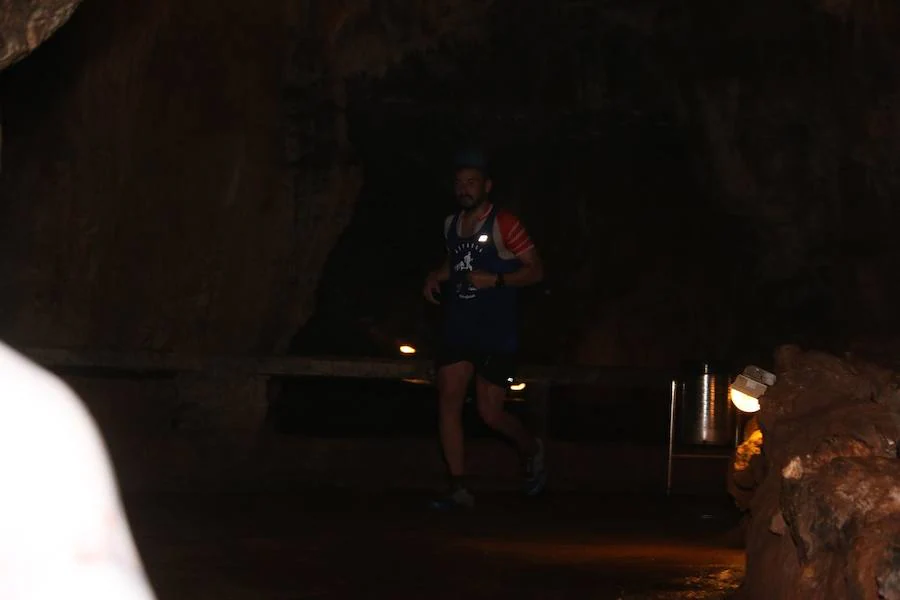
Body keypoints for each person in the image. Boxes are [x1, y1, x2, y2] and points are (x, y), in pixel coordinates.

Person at [422, 151, 547, 510]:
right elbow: (456, 262)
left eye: (471, 182)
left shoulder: (505, 223)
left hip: (496, 330)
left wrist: (499, 279)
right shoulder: (451, 225)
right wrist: (435, 275)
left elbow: (536, 270)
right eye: (459, 183)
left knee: (490, 413)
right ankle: (459, 487)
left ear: (487, 186)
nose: (464, 189)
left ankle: (531, 448)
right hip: (458, 327)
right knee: (448, 401)